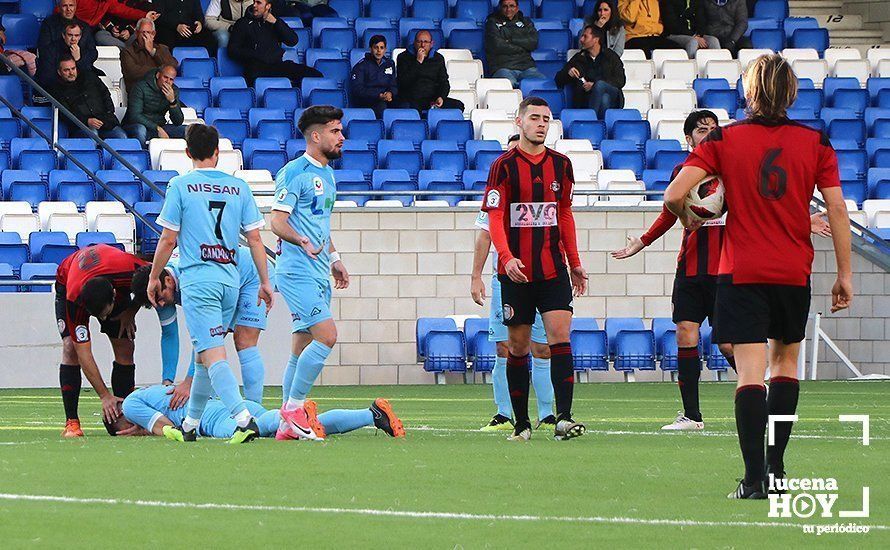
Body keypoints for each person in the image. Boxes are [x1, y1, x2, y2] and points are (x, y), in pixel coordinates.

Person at [663, 55, 853, 499]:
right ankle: (777, 469)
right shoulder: (816, 142)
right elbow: (838, 209)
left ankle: (753, 482)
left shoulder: (723, 140)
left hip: (741, 271)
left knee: (750, 373)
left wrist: (690, 217)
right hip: (792, 270)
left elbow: (674, 194)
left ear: (749, 92)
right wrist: (844, 274)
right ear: (791, 93)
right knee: (786, 365)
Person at [148, 124, 273, 444]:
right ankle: (191, 423)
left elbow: (167, 237)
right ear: (218, 152)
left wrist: (153, 275)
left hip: (200, 282)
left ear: (187, 153)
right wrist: (264, 281)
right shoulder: (239, 187)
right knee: (203, 356)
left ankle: (244, 418)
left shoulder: (180, 185)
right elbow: (256, 239)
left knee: (213, 353)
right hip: (231, 282)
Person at [481, 97, 589, 442]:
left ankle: (564, 418)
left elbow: (566, 215)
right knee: (517, 346)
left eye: (546, 119)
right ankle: (522, 424)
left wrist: (575, 263)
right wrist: (507, 256)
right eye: (535, 118)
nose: (541, 124)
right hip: (516, 272)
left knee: (560, 337)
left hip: (553, 268)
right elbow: (495, 217)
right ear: (519, 122)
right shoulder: (503, 165)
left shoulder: (561, 165)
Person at [271, 106, 349, 441]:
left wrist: (335, 258)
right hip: (296, 270)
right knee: (327, 335)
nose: (342, 137)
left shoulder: (328, 174)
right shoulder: (294, 172)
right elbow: (276, 220)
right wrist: (299, 240)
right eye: (335, 131)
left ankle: (285, 423)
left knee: (301, 346)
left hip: (317, 270)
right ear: (316, 136)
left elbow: (321, 225)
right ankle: (295, 408)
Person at [471, 134, 556, 433]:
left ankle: (547, 414)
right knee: (505, 347)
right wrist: (476, 276)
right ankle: (504, 414)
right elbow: (484, 235)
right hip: (505, 279)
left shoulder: (545, 191)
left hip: (542, 277)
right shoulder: (495, 194)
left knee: (543, 348)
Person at [131, 245, 274, 403]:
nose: (162, 304)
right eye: (156, 302)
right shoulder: (158, 290)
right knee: (211, 346)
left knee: (243, 341)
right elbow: (170, 334)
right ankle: (207, 401)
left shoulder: (191, 282)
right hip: (223, 279)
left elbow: (205, 337)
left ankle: (255, 408)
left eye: (161, 298)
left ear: (169, 280)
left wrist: (188, 382)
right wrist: (167, 382)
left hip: (251, 274)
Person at [54, 244, 148, 437]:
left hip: (110, 275)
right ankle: (72, 422)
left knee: (125, 345)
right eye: (99, 316)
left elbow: (151, 277)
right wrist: (104, 396)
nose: (103, 320)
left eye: (105, 315)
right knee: (71, 347)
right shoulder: (75, 299)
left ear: (114, 295)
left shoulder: (127, 269)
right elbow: (84, 353)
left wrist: (131, 311)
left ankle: (126, 412)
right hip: (68, 279)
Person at [112, 384, 405, 439]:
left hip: (214, 420)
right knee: (308, 430)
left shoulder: (131, 404)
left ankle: (294, 413)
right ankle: (373, 414)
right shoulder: (151, 392)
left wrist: (144, 431)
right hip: (235, 404)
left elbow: (171, 430)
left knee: (259, 428)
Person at [227, 0, 322, 87]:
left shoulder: (276, 23)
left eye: (258, 3)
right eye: (254, 2)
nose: (254, 5)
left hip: (277, 65)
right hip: (256, 68)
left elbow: (293, 40)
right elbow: (232, 50)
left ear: (268, 6)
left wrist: (276, 22)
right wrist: (255, 54)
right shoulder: (243, 23)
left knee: (315, 75)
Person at [555, 24, 625, 117]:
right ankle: (598, 124)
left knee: (600, 85)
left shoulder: (611, 56)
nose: (581, 40)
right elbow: (558, 79)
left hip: (613, 98)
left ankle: (590, 120)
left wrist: (594, 85)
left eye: (585, 36)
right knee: (604, 99)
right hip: (587, 99)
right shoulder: (579, 58)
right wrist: (569, 73)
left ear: (596, 39)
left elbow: (620, 80)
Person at [53, 56, 128, 139]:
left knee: (121, 136)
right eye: (66, 70)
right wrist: (86, 121)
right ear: (59, 72)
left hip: (106, 122)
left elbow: (106, 95)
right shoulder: (57, 90)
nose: (71, 72)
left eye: (73, 68)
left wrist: (108, 114)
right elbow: (66, 114)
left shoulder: (90, 78)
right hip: (80, 127)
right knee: (93, 134)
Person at [396, 31, 464, 113]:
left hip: (432, 99)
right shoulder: (403, 57)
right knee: (411, 109)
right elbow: (403, 82)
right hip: (411, 98)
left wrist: (441, 97)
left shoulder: (438, 58)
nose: (422, 45)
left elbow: (444, 82)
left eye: (426, 42)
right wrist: (418, 62)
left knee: (458, 105)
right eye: (419, 42)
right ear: (414, 43)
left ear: (431, 44)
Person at [484, 0, 545, 88]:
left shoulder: (526, 22)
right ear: (500, 8)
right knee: (509, 85)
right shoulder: (492, 22)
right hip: (502, 67)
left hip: (527, 67)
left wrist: (510, 39)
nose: (508, 9)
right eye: (505, 6)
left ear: (517, 8)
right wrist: (523, 48)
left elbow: (533, 42)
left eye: (512, 6)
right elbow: (497, 46)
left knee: (542, 83)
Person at [123, 64, 185, 145]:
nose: (168, 82)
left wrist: (172, 101)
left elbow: (178, 121)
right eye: (165, 77)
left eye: (171, 79)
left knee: (187, 130)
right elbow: (134, 115)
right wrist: (157, 128)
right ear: (158, 75)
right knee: (141, 130)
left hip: (160, 126)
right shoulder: (140, 87)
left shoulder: (174, 90)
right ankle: (143, 156)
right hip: (135, 125)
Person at [37, 21, 99, 89]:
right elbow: (47, 76)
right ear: (63, 35)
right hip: (58, 88)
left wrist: (78, 59)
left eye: (76, 35)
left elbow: (87, 74)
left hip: (81, 88)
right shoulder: (51, 50)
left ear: (80, 36)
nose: (73, 39)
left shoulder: (85, 49)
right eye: (70, 35)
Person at [120, 17, 178, 91]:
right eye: (143, 32)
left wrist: (153, 52)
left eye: (148, 32)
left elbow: (173, 66)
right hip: (139, 95)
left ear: (153, 34)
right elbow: (132, 73)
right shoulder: (127, 52)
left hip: (162, 94)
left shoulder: (162, 48)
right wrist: (160, 72)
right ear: (137, 33)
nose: (145, 36)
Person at [74, 0, 159, 49]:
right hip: (77, 26)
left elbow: (124, 11)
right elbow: (64, 8)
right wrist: (111, 28)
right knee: (97, 37)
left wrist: (144, 15)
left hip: (92, 30)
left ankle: (127, 53)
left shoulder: (108, 1)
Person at [348, 34, 397, 119]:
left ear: (385, 49)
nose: (379, 51)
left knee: (404, 104)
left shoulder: (389, 64)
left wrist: (390, 93)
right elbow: (357, 90)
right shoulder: (361, 66)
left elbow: (393, 85)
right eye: (376, 47)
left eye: (381, 48)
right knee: (381, 106)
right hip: (369, 101)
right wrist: (378, 95)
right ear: (370, 48)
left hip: (387, 99)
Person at [617, 0, 684, 58]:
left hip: (653, 36)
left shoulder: (654, 1)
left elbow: (660, 22)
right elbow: (630, 17)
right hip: (634, 37)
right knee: (646, 53)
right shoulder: (623, 1)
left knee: (678, 50)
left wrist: (655, 29)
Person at [151, 0, 218, 52]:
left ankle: (205, 65)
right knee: (166, 39)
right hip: (168, 28)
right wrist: (176, 26)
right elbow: (158, 16)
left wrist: (199, 23)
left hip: (189, 30)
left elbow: (199, 14)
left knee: (209, 38)